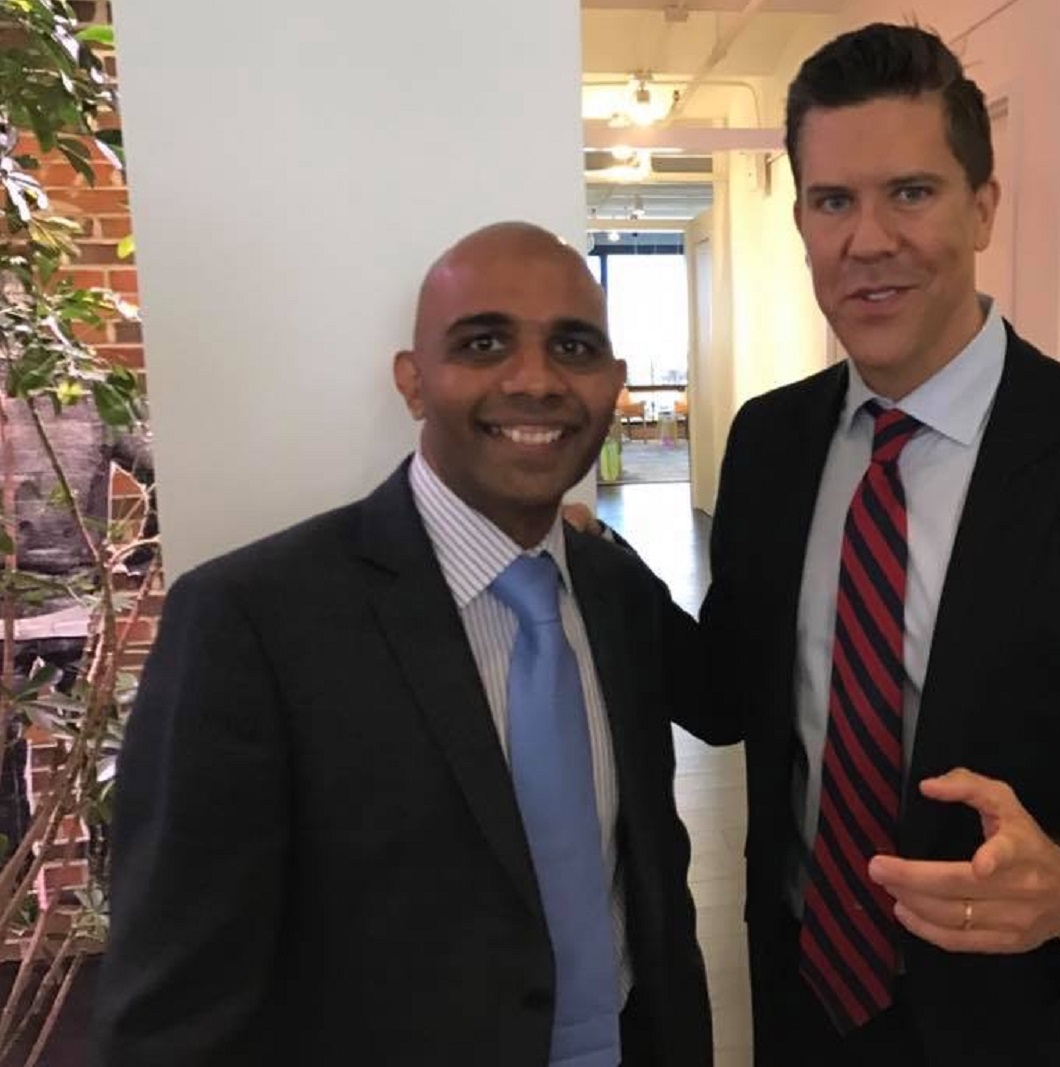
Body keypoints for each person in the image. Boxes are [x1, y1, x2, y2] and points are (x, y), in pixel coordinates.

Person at [687, 23, 1060, 1066]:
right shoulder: (770, 443)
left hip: (1038, 1024)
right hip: (806, 999)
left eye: (909, 192)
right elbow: (726, 689)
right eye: (832, 201)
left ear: (982, 207)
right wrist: (568, 556)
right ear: (802, 220)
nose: (868, 239)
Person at [92, 222, 712, 1067]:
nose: (535, 379)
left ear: (613, 382)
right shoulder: (249, 622)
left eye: (573, 346)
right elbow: (173, 1008)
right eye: (483, 342)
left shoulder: (618, 597)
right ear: (412, 382)